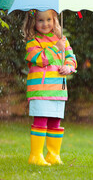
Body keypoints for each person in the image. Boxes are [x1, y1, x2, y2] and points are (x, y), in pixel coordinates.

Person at [22, 9, 77, 166]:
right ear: (33, 22)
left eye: (49, 20)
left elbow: (71, 58)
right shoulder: (33, 42)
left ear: (55, 21)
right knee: (41, 120)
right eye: (40, 20)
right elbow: (40, 59)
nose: (45, 24)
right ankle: (36, 155)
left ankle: (53, 155)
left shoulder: (61, 40)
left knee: (55, 122)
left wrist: (68, 67)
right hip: (41, 89)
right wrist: (55, 48)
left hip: (58, 89)